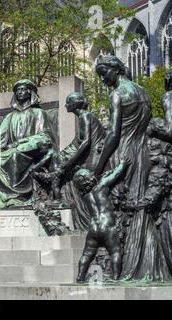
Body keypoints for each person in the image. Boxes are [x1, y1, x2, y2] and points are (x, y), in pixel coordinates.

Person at [95, 55, 170, 280]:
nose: (102, 79)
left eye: (103, 73)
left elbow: (113, 133)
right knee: (142, 210)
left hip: (124, 154)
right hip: (143, 153)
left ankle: (129, 266)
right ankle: (148, 264)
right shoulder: (144, 92)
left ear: (115, 70)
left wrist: (98, 167)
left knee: (122, 208)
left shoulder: (117, 94)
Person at [0, 79, 52, 208]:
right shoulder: (10, 117)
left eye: (23, 89)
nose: (20, 92)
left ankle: (17, 194)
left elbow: (45, 137)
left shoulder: (39, 113)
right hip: (10, 150)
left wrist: (20, 143)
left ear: (30, 92)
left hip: (29, 151)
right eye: (18, 90)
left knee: (14, 155)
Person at [74, 160, 129, 283]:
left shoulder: (85, 196)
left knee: (87, 254)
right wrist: (122, 164)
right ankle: (116, 277)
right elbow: (115, 176)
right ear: (89, 179)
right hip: (107, 226)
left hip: (93, 228)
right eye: (89, 174)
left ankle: (80, 277)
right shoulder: (101, 187)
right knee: (115, 251)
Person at [60, 92, 106, 230]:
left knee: (71, 182)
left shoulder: (85, 116)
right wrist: (63, 156)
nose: (65, 105)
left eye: (68, 102)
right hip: (91, 158)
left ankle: (86, 222)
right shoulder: (85, 117)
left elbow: (86, 142)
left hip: (92, 160)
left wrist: (70, 163)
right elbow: (76, 142)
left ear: (75, 104)